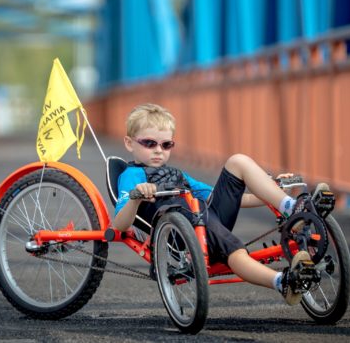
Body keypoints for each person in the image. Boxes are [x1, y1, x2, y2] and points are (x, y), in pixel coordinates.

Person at [113, 103, 314, 305]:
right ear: (130, 143)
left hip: (207, 216)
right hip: (183, 232)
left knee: (238, 161)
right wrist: (136, 197)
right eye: (149, 143)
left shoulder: (177, 174)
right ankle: (282, 282)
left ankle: (290, 206)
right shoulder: (131, 176)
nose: (158, 151)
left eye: (166, 145)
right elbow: (120, 225)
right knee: (233, 251)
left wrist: (273, 194)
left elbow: (227, 199)